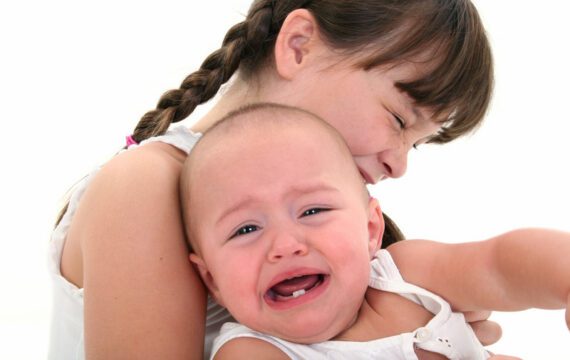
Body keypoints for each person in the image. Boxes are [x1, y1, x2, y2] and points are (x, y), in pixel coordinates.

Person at [48, 1, 500, 359]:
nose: (399, 166)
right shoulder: (145, 184)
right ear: (299, 45)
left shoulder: (318, 220)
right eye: (400, 119)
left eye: (417, 144)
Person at [180, 103, 570, 360]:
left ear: (370, 229)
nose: (284, 246)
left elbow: (499, 265)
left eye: (312, 210)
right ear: (212, 278)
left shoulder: (403, 276)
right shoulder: (253, 351)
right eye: (246, 228)